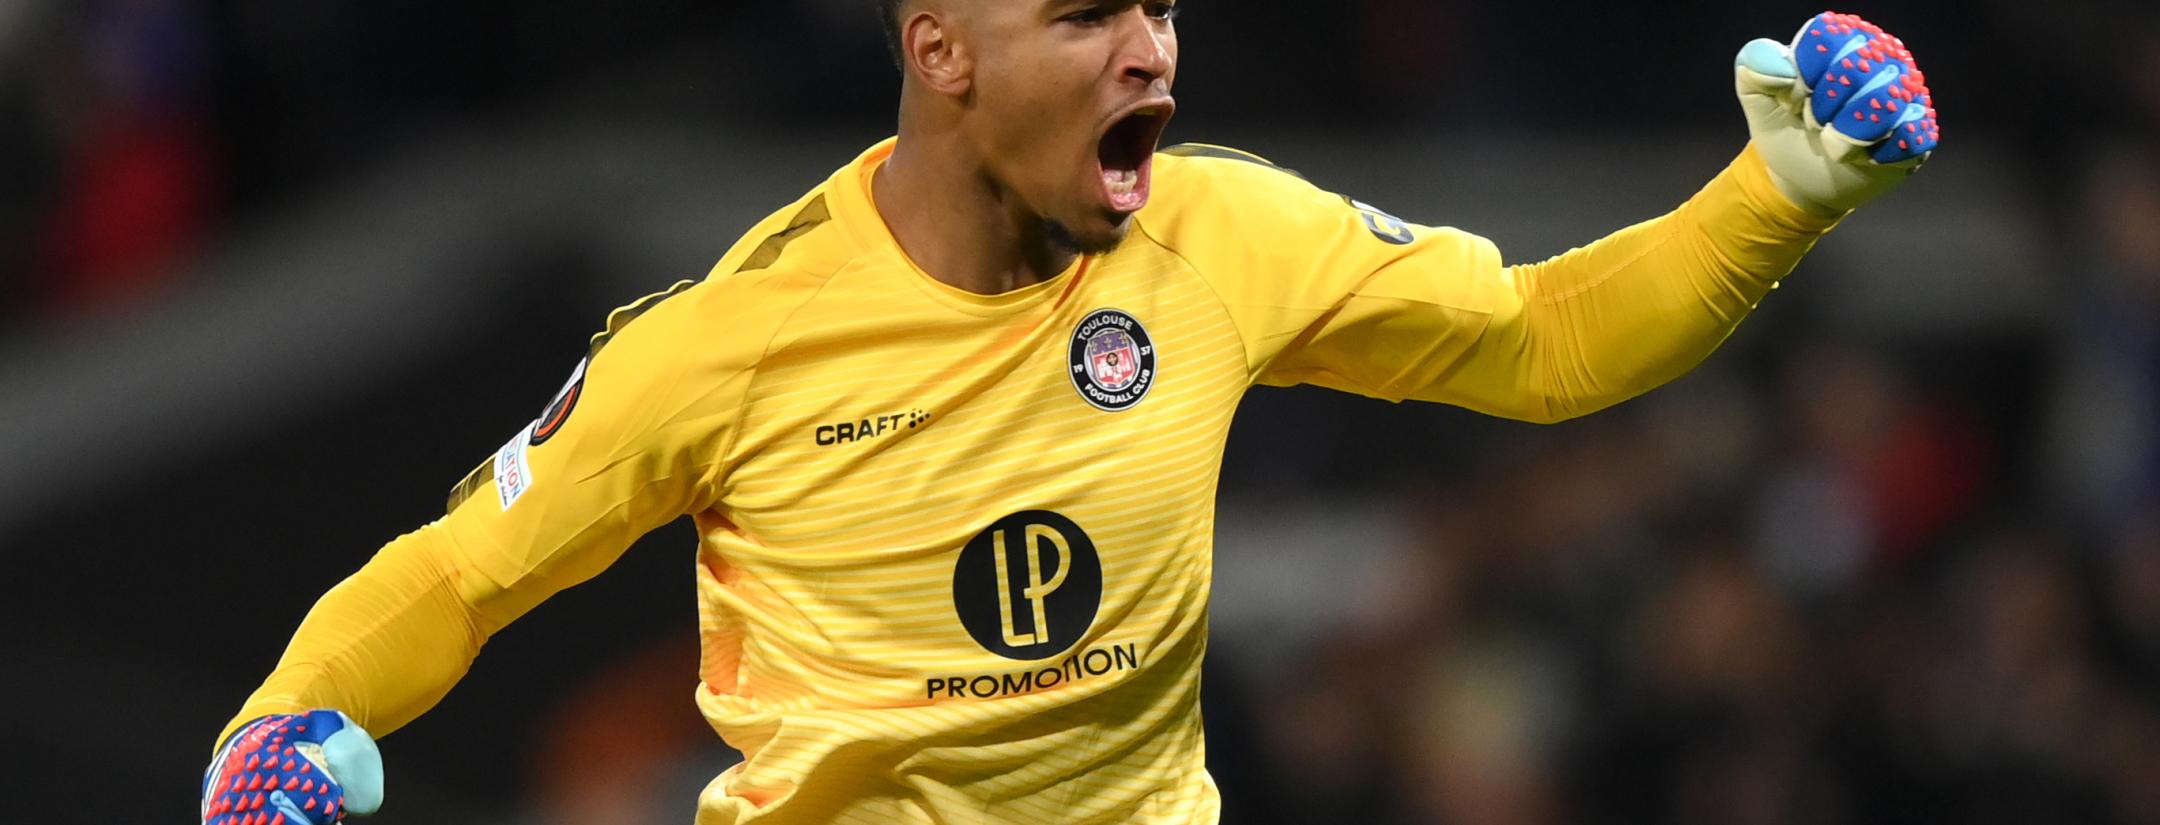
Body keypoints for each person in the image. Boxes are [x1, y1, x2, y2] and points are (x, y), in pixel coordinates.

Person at [201, 4, 1937, 824]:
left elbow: (1545, 341)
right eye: (1093, 15)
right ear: (942, 52)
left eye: (1163, 11)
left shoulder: (1225, 232)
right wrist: (276, 729)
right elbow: (457, 577)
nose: (1156, 57)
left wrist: (1780, 190)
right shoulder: (729, 339)